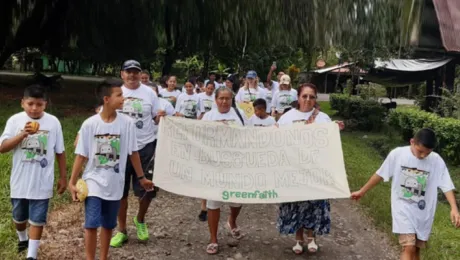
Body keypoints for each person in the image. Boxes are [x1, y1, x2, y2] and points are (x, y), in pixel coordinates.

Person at [68, 79, 154, 260]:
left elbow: (134, 153)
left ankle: (104, 257)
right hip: (93, 181)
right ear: (107, 99)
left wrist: (141, 177)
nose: (124, 98)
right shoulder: (90, 124)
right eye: (119, 95)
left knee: (108, 225)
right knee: (91, 224)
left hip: (115, 182)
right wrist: (72, 181)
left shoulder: (127, 124)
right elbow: (81, 155)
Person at [351, 128, 460, 260]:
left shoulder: (436, 160)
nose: (423, 156)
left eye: (427, 153)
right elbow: (380, 174)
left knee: (416, 250)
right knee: (409, 246)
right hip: (402, 208)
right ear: (412, 141)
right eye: (420, 151)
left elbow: (446, 184)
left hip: (423, 213)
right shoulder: (398, 154)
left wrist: (454, 208)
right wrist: (362, 191)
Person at [0, 85, 67, 260]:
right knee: (19, 217)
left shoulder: (53, 122)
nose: (34, 108)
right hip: (20, 181)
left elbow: (60, 151)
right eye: (30, 103)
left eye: (39, 104)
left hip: (42, 181)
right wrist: (22, 134)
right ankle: (23, 239)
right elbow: (3, 147)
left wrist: (63, 177)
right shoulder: (15, 121)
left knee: (37, 219)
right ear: (23, 103)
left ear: (45, 104)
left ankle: (32, 255)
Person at [276, 83, 344, 256]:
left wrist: (334, 130)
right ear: (298, 97)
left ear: (315, 99)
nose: (307, 100)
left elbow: (328, 144)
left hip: (315, 170)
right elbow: (277, 142)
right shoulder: (286, 118)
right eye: (304, 96)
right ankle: (298, 239)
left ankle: (312, 237)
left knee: (314, 204)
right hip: (293, 170)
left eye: (311, 97)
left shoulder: (323, 119)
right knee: (296, 203)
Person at [110, 60, 164, 248]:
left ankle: (140, 220)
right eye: (129, 72)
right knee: (120, 192)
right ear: (122, 74)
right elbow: (105, 115)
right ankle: (121, 230)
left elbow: (156, 119)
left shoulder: (150, 93)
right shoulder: (116, 92)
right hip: (120, 149)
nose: (132, 75)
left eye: (136, 72)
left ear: (140, 74)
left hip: (144, 147)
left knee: (147, 189)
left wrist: (161, 116)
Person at [202, 87, 247, 255]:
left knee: (237, 200)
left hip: (236, 165)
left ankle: (232, 220)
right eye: (221, 98)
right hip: (214, 165)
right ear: (215, 99)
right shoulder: (208, 116)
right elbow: (198, 137)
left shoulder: (240, 115)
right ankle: (213, 238)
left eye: (227, 98)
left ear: (232, 99)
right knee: (213, 202)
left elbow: (253, 135)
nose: (224, 101)